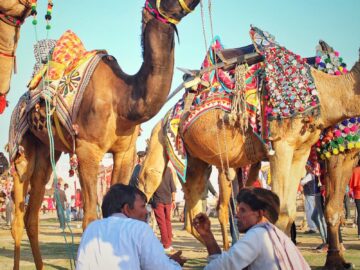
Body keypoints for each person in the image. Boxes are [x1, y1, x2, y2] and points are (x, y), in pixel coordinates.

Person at [193, 187, 310, 270]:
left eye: (243, 210)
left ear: (259, 214)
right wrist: (207, 236)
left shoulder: (258, 234)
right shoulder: (275, 235)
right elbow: (225, 264)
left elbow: (220, 267)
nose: (236, 215)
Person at [76, 184, 185, 269]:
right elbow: (160, 268)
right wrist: (174, 264)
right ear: (127, 209)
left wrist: (166, 260)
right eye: (143, 206)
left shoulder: (92, 228)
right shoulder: (139, 229)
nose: (146, 211)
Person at [153, 166, 177, 252]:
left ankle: (166, 245)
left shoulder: (155, 170)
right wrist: (174, 200)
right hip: (168, 200)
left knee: (162, 223)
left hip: (158, 200)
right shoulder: (168, 170)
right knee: (167, 221)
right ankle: (168, 242)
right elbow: (173, 187)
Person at [349, 163, 360, 239]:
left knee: (359, 213)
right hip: (357, 194)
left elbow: (351, 184)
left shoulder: (355, 170)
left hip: (357, 195)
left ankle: (359, 233)